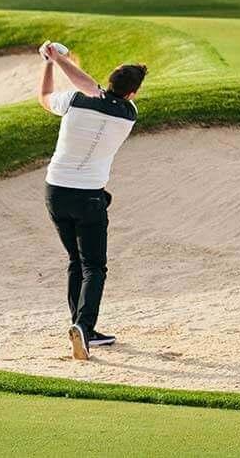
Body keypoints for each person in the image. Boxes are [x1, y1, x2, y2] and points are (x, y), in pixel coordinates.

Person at [35, 41, 146, 361]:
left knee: (76, 261)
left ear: (109, 82)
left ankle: (80, 327)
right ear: (132, 93)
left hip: (55, 191)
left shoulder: (74, 99)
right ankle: (84, 327)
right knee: (94, 266)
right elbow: (90, 87)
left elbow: (44, 99)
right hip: (89, 199)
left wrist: (51, 62)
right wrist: (59, 59)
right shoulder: (129, 114)